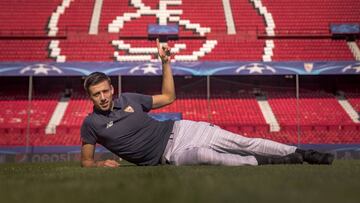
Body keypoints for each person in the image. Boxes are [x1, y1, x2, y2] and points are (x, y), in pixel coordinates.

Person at [80, 39, 334, 168]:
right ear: (90, 97)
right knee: (209, 156)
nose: (102, 97)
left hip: (181, 130)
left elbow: (169, 98)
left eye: (105, 91)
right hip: (168, 155)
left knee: (243, 142)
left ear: (112, 89)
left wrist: (165, 63)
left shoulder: (130, 99)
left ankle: (303, 153)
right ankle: (278, 161)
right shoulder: (92, 124)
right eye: (96, 94)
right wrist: (99, 164)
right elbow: (86, 161)